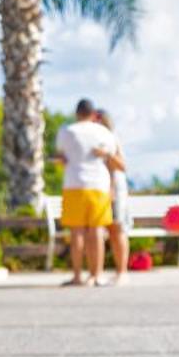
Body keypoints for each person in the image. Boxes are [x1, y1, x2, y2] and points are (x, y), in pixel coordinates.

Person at [53, 98, 117, 287]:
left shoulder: (67, 131)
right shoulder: (103, 132)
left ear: (77, 113)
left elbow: (61, 156)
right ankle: (96, 275)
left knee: (77, 232)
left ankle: (77, 276)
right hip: (98, 185)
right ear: (93, 114)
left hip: (74, 184)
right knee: (96, 231)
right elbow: (111, 155)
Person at [95, 108, 131, 285]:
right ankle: (98, 273)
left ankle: (122, 272)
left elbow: (122, 166)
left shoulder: (112, 139)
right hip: (99, 190)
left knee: (117, 229)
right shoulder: (94, 140)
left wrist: (107, 154)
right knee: (101, 231)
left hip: (115, 189)